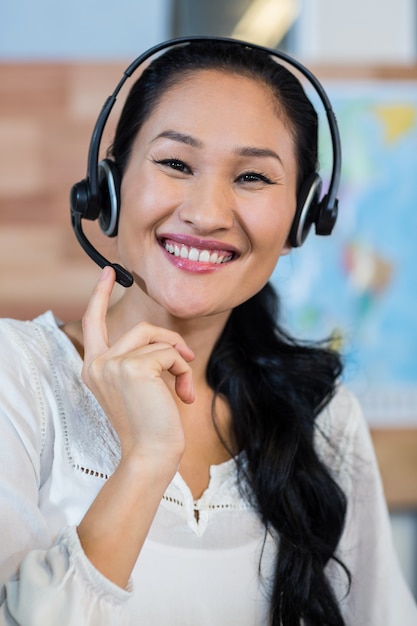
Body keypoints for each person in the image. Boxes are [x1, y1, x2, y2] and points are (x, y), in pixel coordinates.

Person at [0, 38, 416, 626]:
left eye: (252, 176)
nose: (206, 212)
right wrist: (147, 459)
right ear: (109, 186)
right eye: (175, 164)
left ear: (302, 219)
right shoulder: (15, 377)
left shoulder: (324, 417)